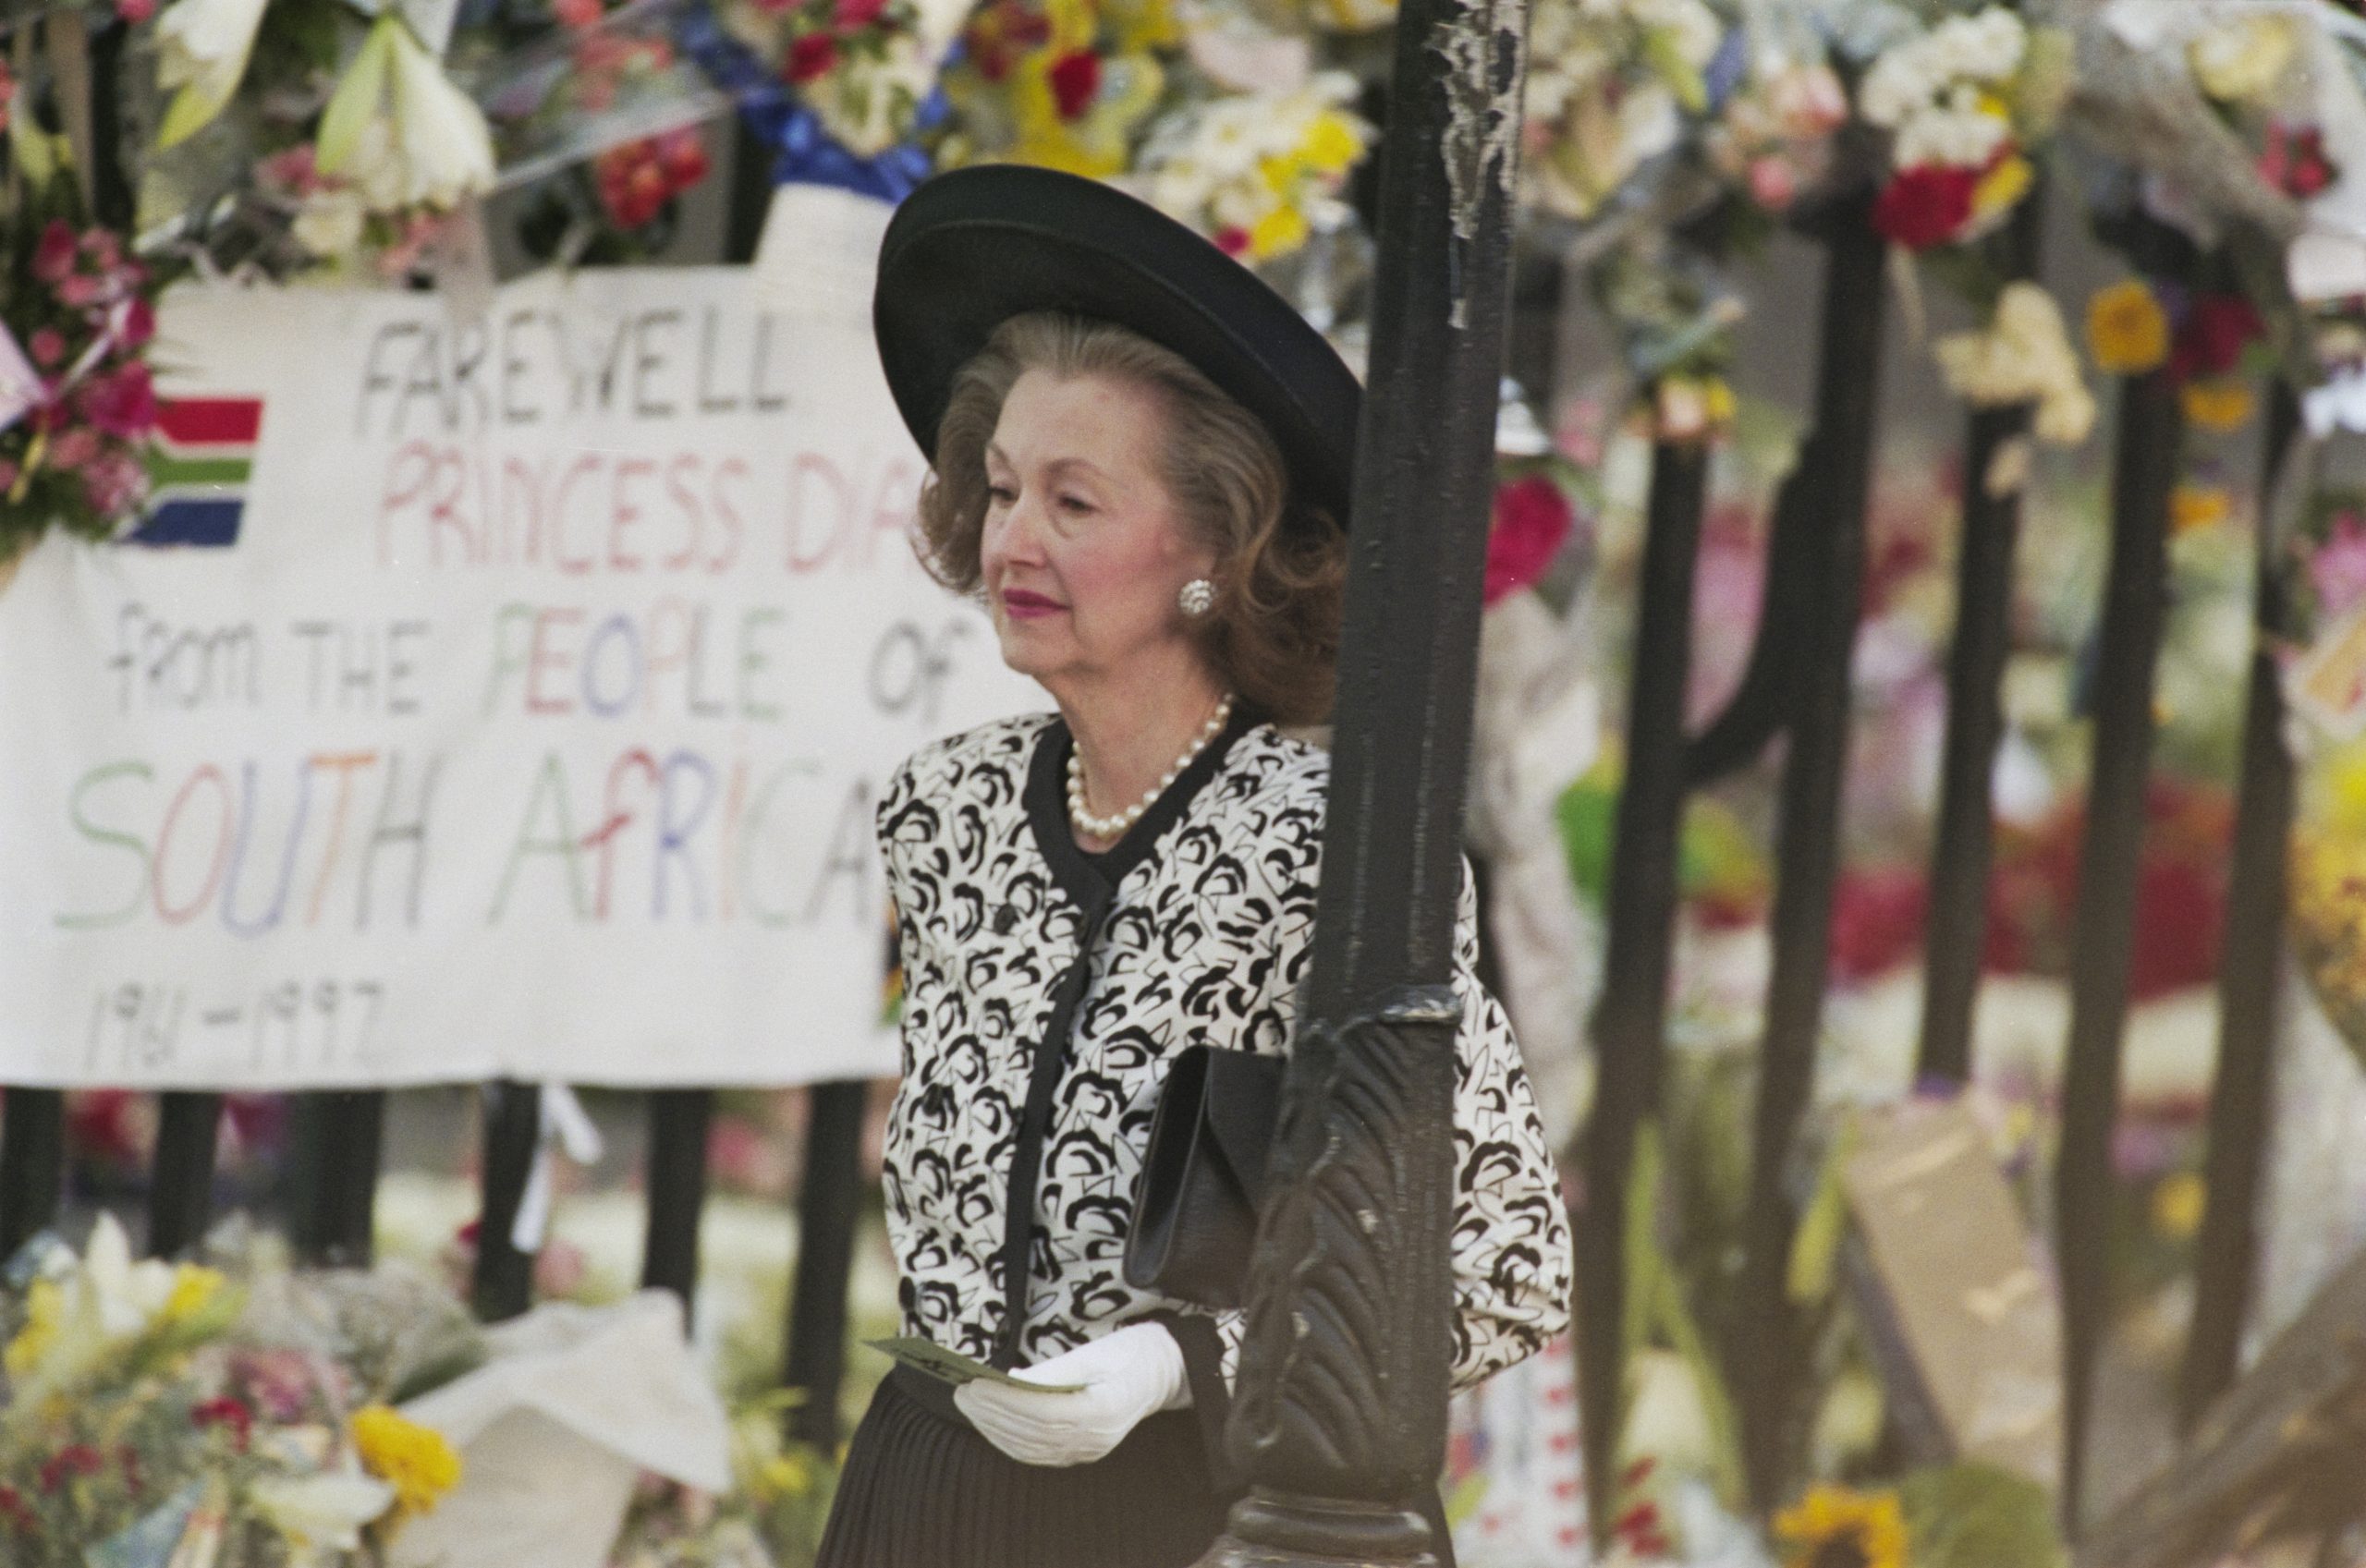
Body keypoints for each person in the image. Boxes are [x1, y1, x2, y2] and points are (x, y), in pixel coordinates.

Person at [820, 164, 1574, 1568]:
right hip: (930, 1496)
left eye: (1074, 502)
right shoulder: (951, 807)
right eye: (997, 490)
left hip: (1196, 1515)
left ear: (1214, 553)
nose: (1011, 540)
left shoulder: (1332, 834)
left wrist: (1179, 1360)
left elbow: (1502, 1260)